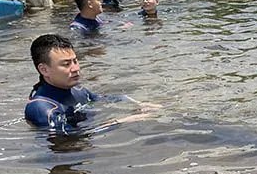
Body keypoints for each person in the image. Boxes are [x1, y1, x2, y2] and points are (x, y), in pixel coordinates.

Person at [24, 34, 159, 134]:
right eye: (66, 64)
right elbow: (72, 139)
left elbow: (100, 99)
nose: (76, 68)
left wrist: (136, 103)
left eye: (75, 61)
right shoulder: (41, 109)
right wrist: (124, 121)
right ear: (44, 69)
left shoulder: (77, 90)